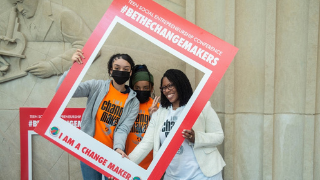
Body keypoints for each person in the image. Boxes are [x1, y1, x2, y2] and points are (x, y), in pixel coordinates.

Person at [128, 69, 225, 180]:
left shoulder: (201, 107)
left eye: (170, 86)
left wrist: (196, 138)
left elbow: (219, 136)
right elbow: (145, 144)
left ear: (180, 84)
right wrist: (123, 164)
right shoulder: (160, 113)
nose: (167, 90)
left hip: (203, 174)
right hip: (173, 176)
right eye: (164, 87)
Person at [59, 49, 139, 180]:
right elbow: (64, 91)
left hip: (112, 155)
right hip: (88, 149)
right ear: (111, 70)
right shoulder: (96, 86)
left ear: (130, 73)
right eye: (117, 68)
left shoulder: (133, 101)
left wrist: (118, 148)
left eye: (126, 69)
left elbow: (123, 128)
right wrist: (73, 68)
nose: (121, 71)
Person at [0, 0, 92, 78]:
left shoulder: (63, 14)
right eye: (15, 4)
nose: (19, 9)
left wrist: (53, 66)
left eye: (21, 1)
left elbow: (91, 46)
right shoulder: (9, 19)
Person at [125, 64, 160, 170]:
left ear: (151, 88)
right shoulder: (127, 104)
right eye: (137, 88)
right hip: (128, 161)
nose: (141, 90)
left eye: (146, 88)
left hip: (150, 166)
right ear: (132, 88)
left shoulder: (158, 107)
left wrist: (154, 116)